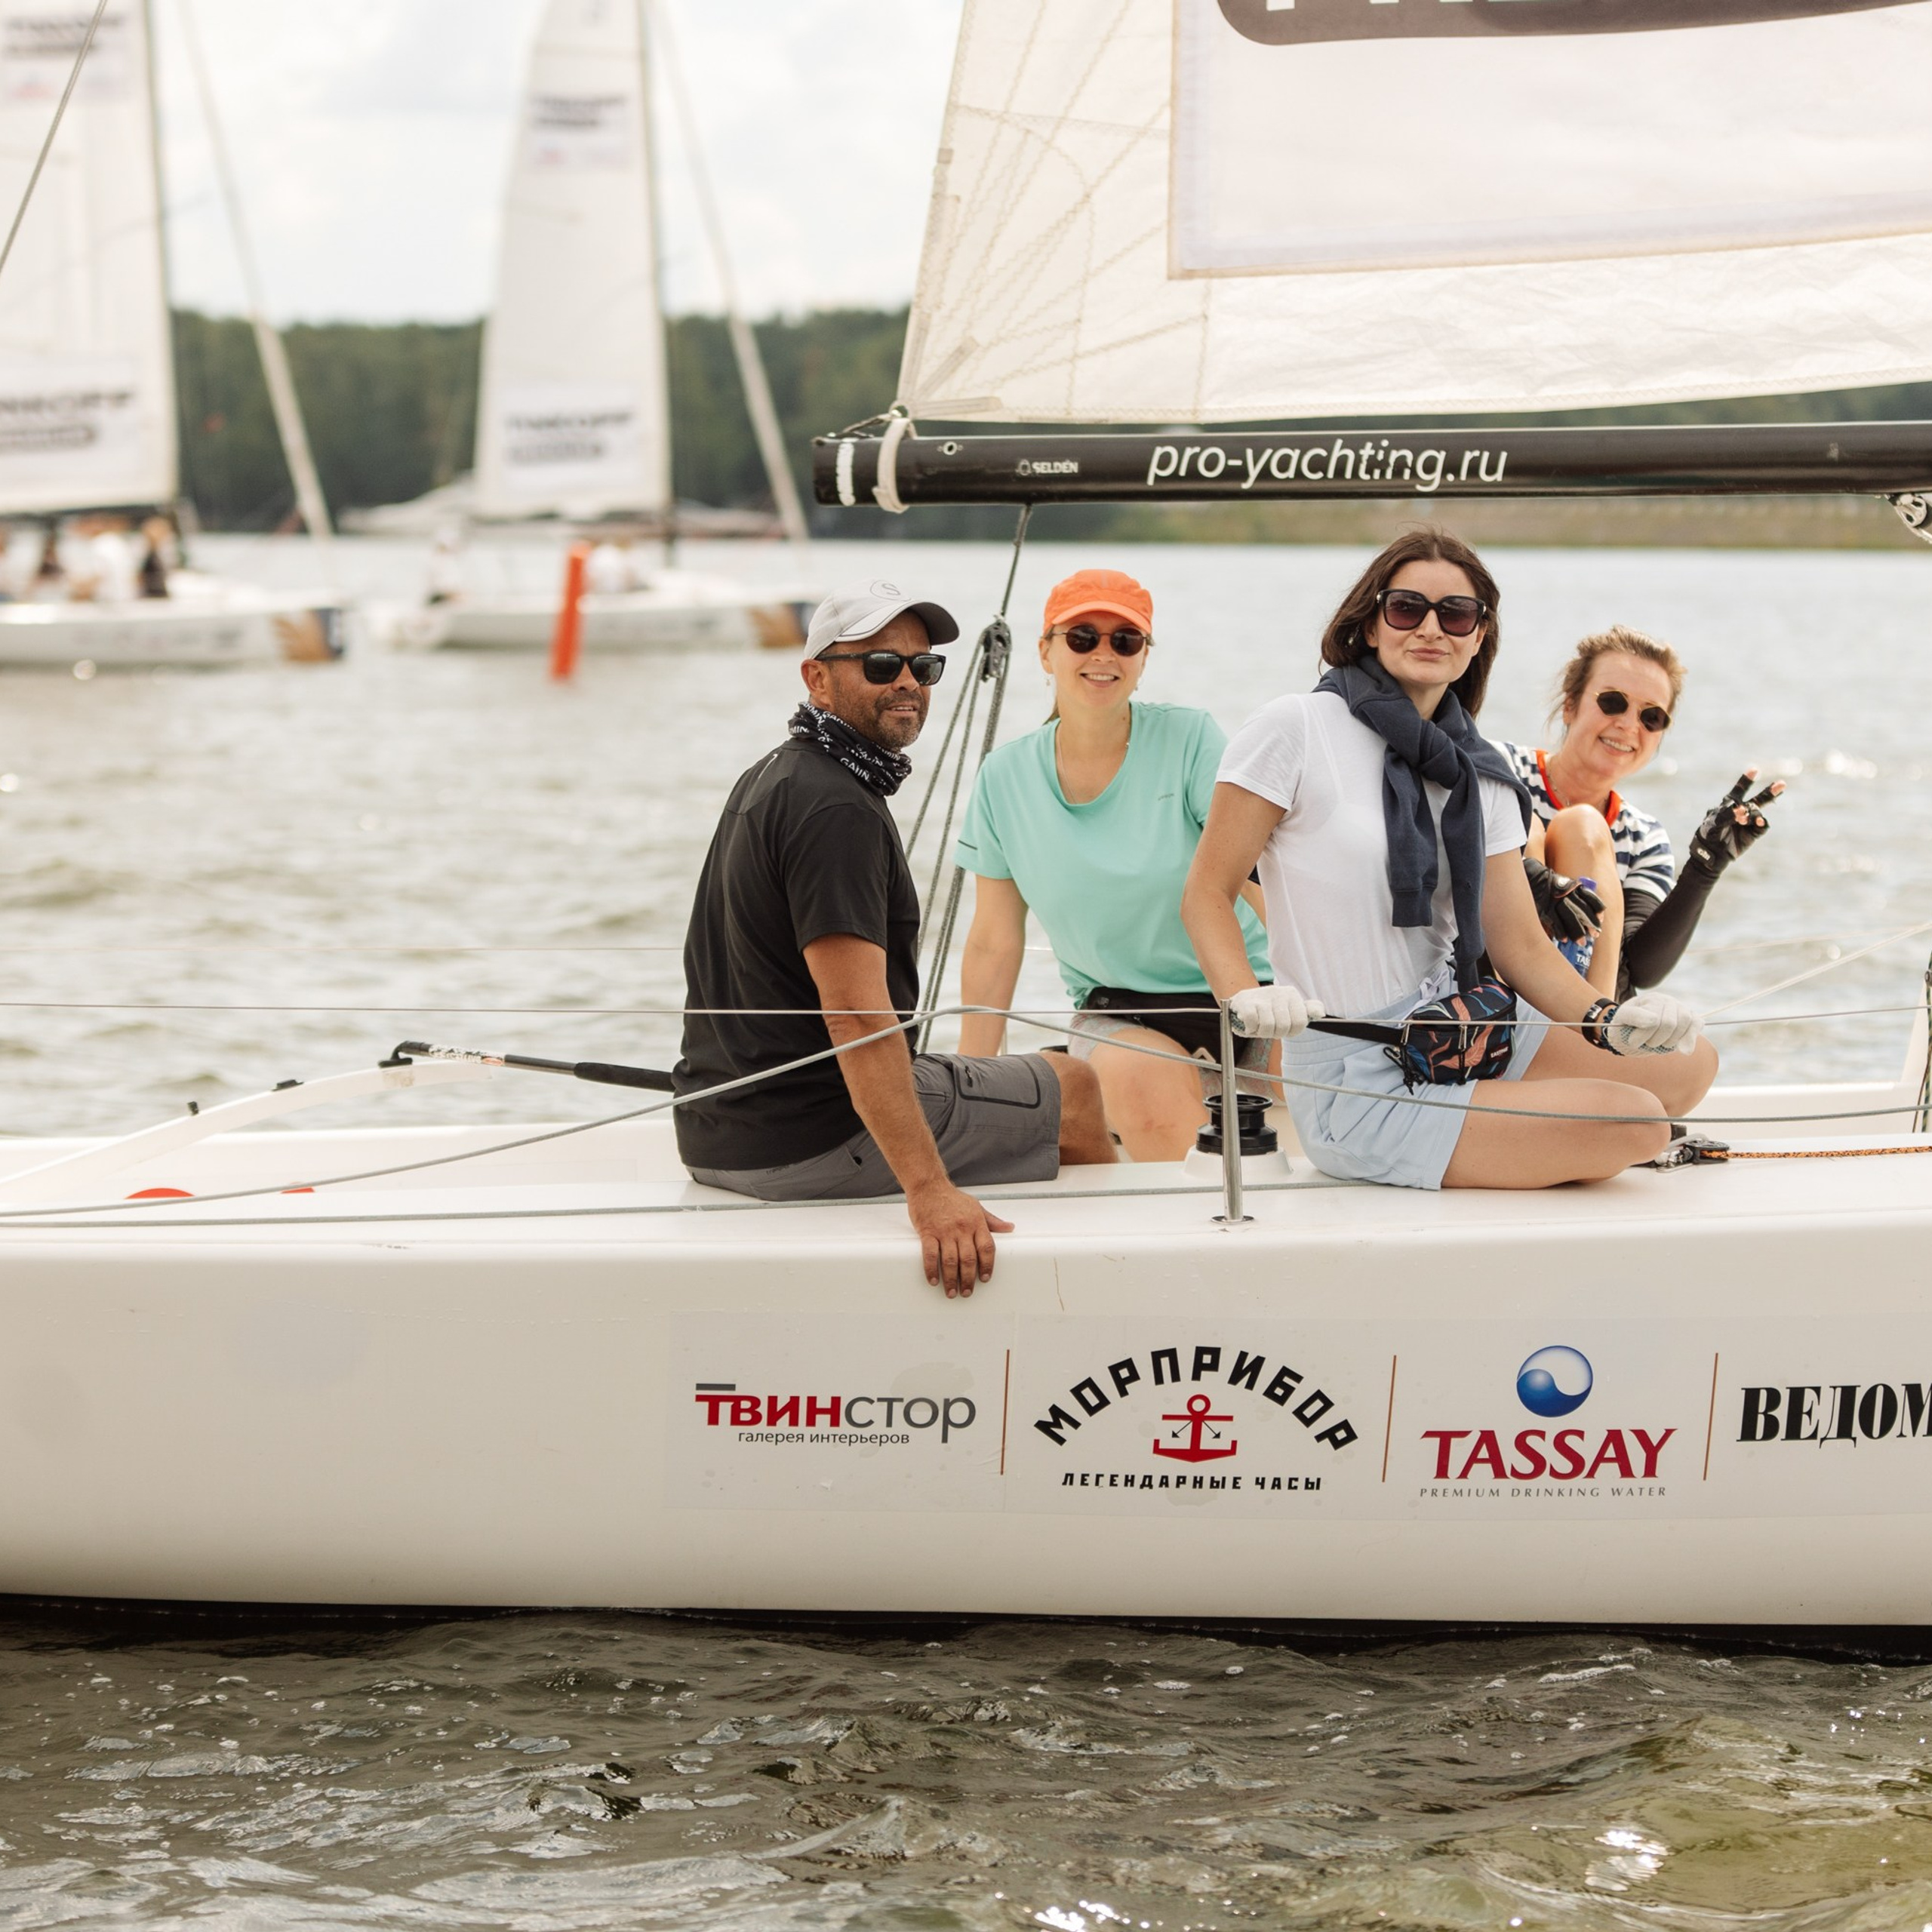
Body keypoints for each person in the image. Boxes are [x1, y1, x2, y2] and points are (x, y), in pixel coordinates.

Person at [1182, 529, 1718, 1192]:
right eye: (1407, 608)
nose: (1431, 628)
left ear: (1477, 638)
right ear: (1370, 623)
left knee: (1691, 1063)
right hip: (1359, 1071)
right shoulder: (1294, 729)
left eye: (1456, 614)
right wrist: (1243, 993)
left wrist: (1607, 1020)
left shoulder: (1481, 773)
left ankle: (1509, 1115)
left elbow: (1520, 946)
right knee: (1636, 1122)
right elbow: (1207, 892)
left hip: (1463, 1027)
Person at [673, 579, 1115, 1294]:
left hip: (714, 1132)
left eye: (923, 666)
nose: (907, 681)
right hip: (813, 1139)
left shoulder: (773, 777)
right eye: (880, 665)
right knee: (1077, 1087)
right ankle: (1113, 1282)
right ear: (817, 677)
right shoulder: (835, 809)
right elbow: (855, 1016)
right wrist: (929, 1193)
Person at [954, 568, 1274, 1160]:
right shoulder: (1003, 778)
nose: (1103, 654)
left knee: (1338, 1094)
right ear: (1045, 652)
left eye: (1125, 641)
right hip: (1119, 1009)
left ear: (1143, 658)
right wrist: (972, 1084)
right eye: (1082, 637)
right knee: (1147, 1090)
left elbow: (1253, 875)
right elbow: (993, 942)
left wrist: (1310, 984)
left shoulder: (1191, 738)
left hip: (1249, 993)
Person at [1502, 625, 1781, 1001]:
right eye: (1613, 702)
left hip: (1580, 1011)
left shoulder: (1642, 835)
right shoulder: (1500, 769)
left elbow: (1641, 968)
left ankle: (1581, 1037)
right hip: (1493, 987)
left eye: (1652, 717)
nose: (1629, 725)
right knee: (1574, 826)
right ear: (1570, 705)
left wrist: (1705, 867)